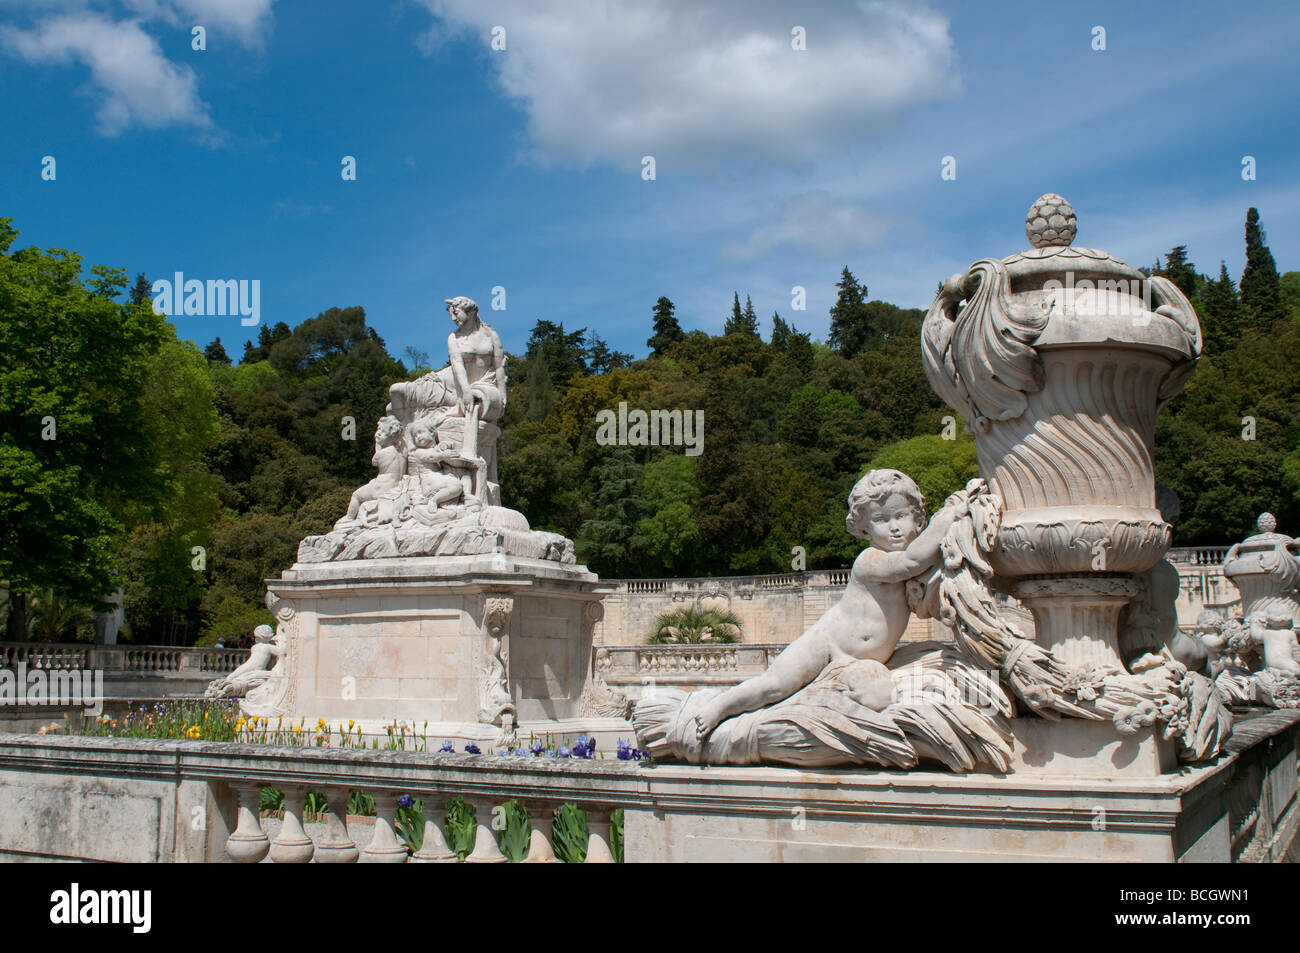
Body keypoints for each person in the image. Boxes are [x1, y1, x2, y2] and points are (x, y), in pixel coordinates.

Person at [693, 469, 971, 740]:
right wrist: (946, 518)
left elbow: (927, 562)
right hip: (827, 644)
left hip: (862, 662)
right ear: (865, 529)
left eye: (901, 516)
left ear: (918, 520)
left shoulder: (913, 556)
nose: (895, 527)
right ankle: (720, 707)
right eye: (881, 520)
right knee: (774, 686)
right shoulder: (870, 560)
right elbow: (911, 562)